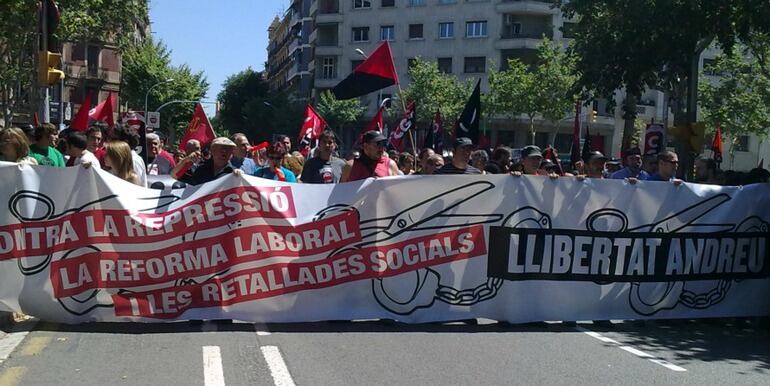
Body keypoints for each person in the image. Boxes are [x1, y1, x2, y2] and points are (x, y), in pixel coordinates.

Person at [172, 137, 240, 185]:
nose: (224, 152)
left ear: (232, 153)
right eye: (222, 148)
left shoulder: (235, 173)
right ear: (212, 150)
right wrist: (186, 160)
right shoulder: (200, 169)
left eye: (228, 149)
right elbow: (174, 175)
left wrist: (240, 177)